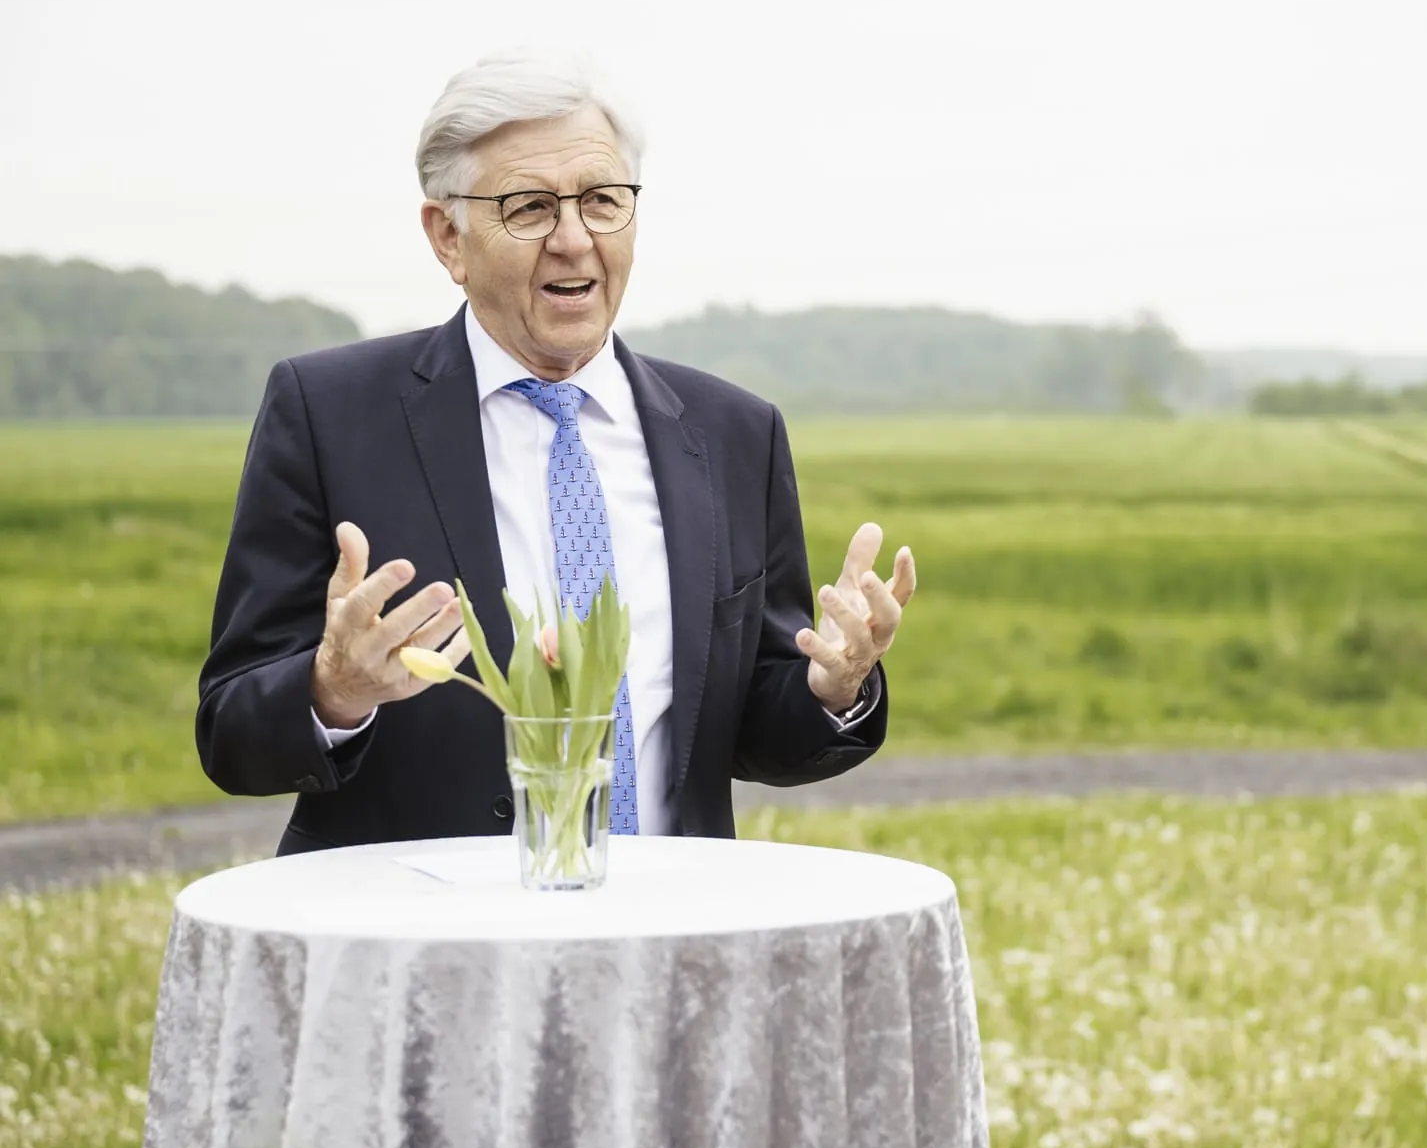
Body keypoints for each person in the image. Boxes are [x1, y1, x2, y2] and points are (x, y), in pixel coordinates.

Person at [196, 52, 915, 852]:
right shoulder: (327, 413)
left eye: (602, 201)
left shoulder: (734, 433)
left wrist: (831, 685)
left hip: (666, 933)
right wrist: (332, 690)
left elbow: (752, 729)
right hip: (420, 943)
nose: (574, 240)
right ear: (448, 236)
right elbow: (229, 726)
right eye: (529, 207)